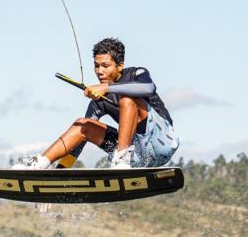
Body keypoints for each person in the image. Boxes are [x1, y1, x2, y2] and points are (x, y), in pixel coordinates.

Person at [13, 38, 179, 169]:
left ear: (120, 65)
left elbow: (149, 88)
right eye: (96, 66)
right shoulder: (98, 100)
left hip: (161, 142)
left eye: (105, 66)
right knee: (83, 125)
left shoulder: (137, 73)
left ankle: (121, 158)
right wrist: (60, 173)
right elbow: (81, 139)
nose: (100, 71)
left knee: (127, 99)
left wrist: (107, 87)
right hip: (136, 155)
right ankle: (40, 164)